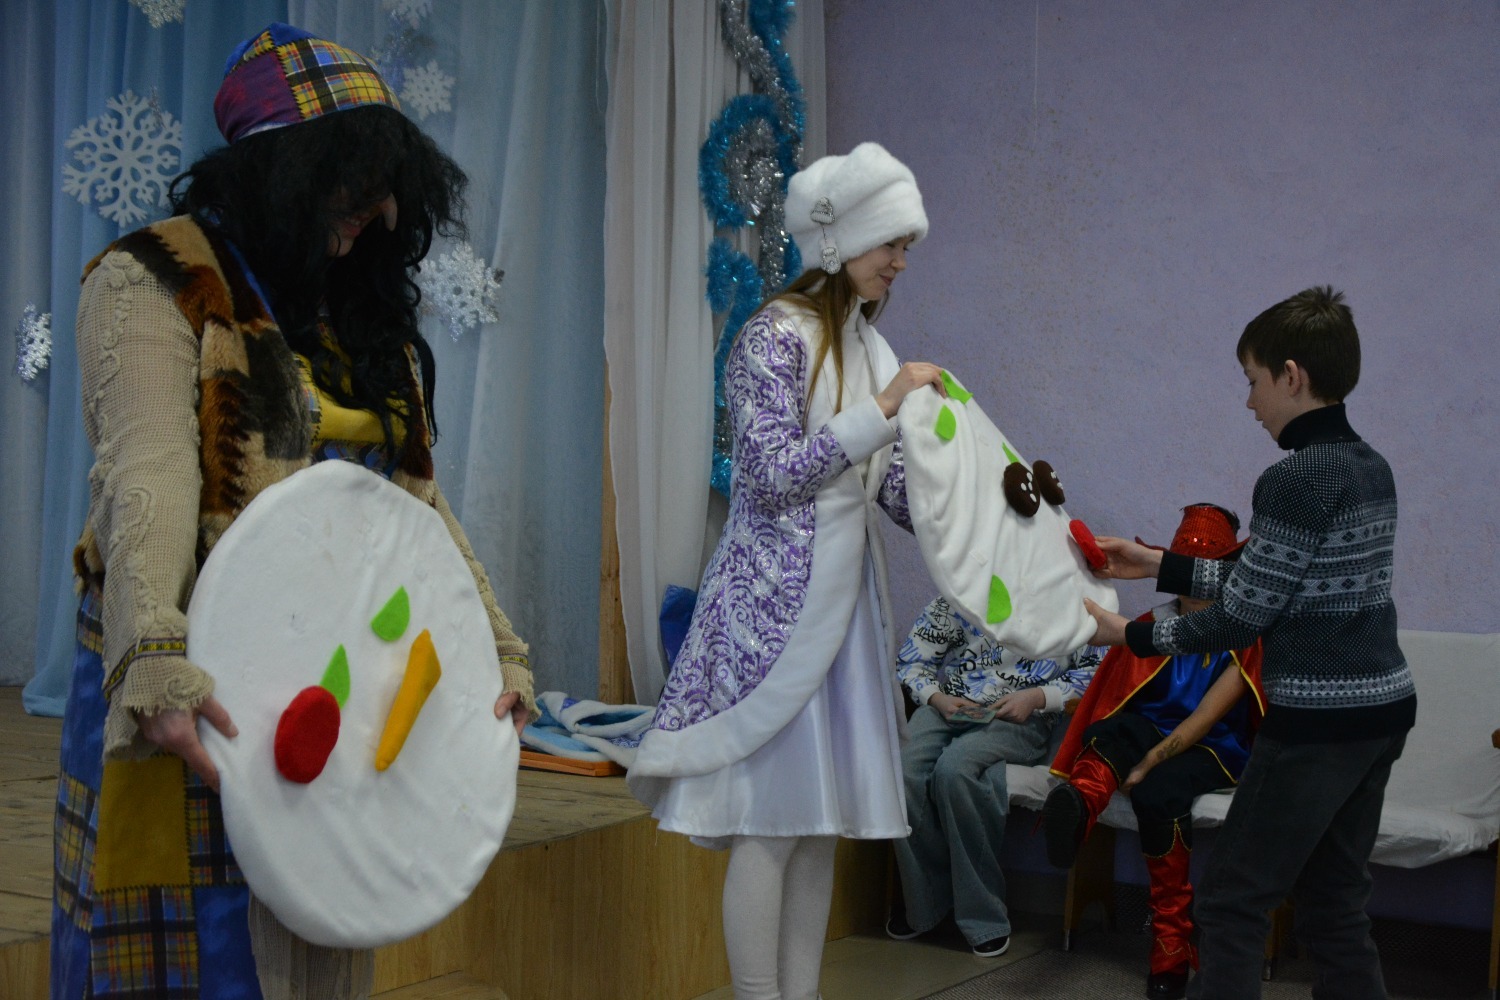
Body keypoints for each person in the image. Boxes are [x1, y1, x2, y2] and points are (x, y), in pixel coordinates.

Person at [51, 24, 534, 1000]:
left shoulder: (354, 314)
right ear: (282, 174)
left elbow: (417, 504)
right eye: (354, 183)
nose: (380, 211)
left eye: (390, 188)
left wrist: (497, 648)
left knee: (323, 930)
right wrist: (153, 654)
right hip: (200, 674)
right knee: (200, 954)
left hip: (339, 679)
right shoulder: (155, 279)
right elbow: (147, 477)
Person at [627, 142, 946, 1000]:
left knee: (814, 830)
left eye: (906, 246)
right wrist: (884, 409)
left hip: (846, 618)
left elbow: (895, 491)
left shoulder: (867, 346)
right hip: (775, 613)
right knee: (770, 828)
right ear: (844, 240)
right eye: (891, 242)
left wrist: (989, 509)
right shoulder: (772, 335)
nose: (900, 262)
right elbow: (767, 477)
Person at [1083, 286, 1417, 1000]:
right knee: (1334, 904)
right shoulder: (1369, 465)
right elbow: (1278, 576)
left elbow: (1239, 619)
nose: (1249, 402)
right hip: (1381, 712)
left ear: (1290, 376)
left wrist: (1130, 634)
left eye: (1253, 380)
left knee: (1232, 902)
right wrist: (1159, 564)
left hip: (1317, 725)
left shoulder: (1294, 477)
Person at [1044, 503, 1265, 1000]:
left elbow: (1205, 717)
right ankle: (1079, 806)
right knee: (1116, 729)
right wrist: (1132, 749)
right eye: (1185, 567)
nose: (1194, 586)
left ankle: (1172, 939)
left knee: (1159, 791)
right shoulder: (1151, 624)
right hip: (1152, 730)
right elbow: (1119, 700)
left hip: (1215, 745)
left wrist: (1148, 762)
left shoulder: (1244, 635)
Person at [887, 595, 1103, 958]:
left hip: (1020, 717)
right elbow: (912, 660)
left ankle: (982, 916)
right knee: (904, 773)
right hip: (948, 705)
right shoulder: (959, 592)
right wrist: (936, 697)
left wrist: (1038, 697)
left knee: (956, 771)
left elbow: (1098, 669)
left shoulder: (1071, 599)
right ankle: (927, 905)